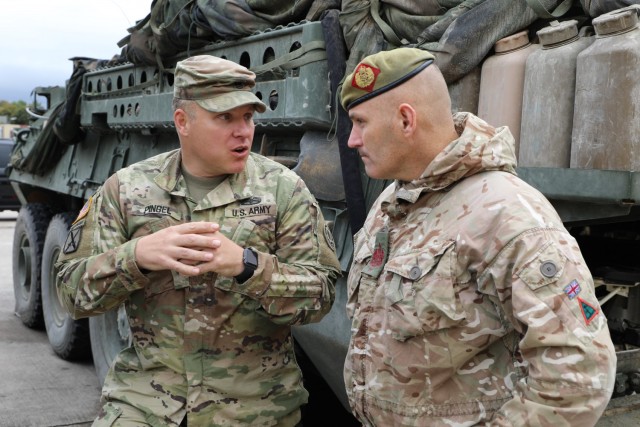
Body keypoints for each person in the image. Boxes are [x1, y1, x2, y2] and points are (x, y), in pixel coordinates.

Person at [56, 55, 342, 426]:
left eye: (248, 117)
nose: (243, 131)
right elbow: (70, 292)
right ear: (182, 121)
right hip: (145, 404)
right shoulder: (127, 189)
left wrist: (247, 266)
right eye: (225, 118)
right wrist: (137, 256)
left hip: (254, 408)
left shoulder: (283, 190)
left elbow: (321, 296)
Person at [339, 47, 617, 426]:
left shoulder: (506, 214)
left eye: (360, 123)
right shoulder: (393, 202)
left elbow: (579, 373)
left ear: (406, 119)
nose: (352, 140)